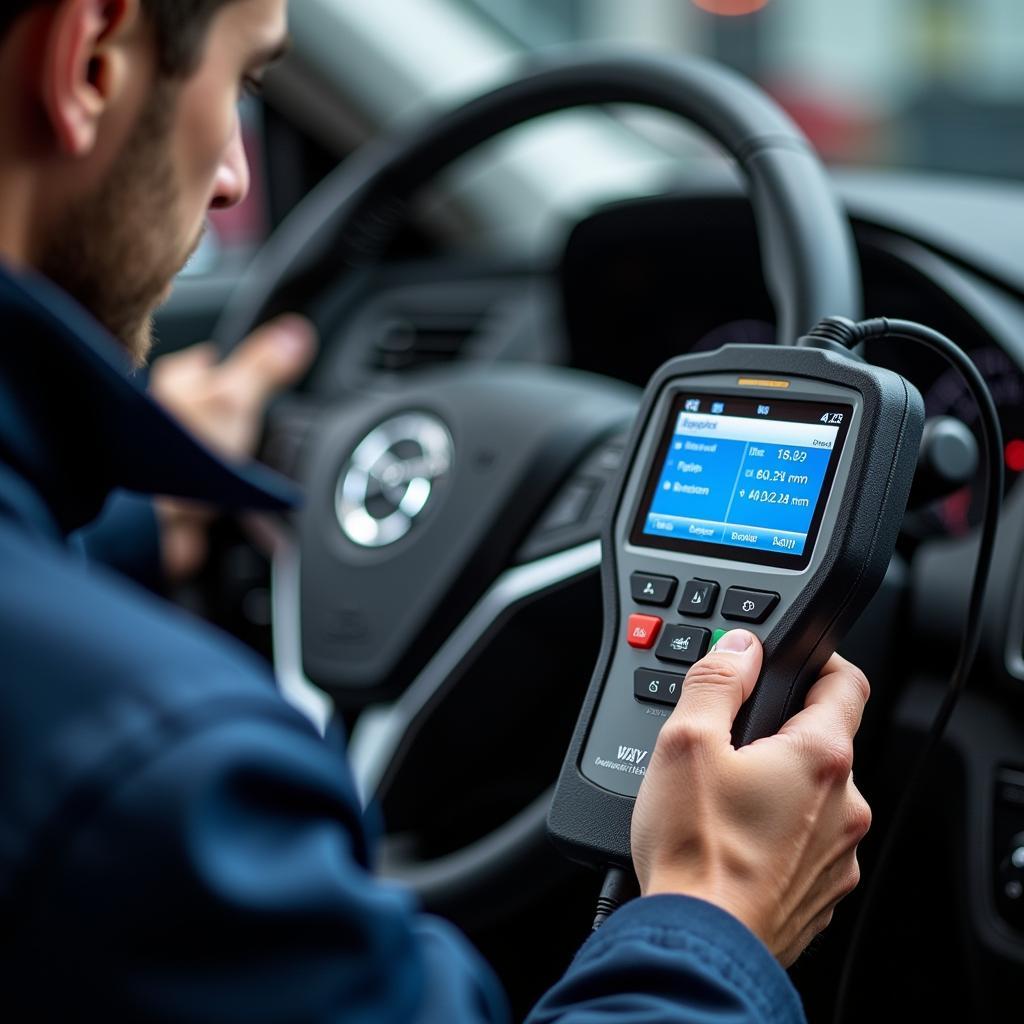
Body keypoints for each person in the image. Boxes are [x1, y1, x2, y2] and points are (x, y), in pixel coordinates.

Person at [0, 1, 872, 1020]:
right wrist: (715, 914)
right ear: (89, 62)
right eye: (239, 87)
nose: (235, 173)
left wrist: (161, 513)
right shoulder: (164, 777)